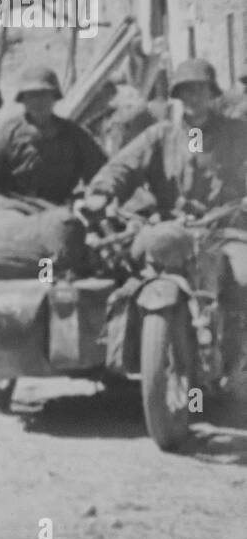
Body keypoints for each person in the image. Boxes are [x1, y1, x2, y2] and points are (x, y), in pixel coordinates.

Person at [84, 59, 247, 384]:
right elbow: (123, 166)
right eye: (186, 90)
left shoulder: (236, 133)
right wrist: (102, 191)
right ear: (176, 95)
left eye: (200, 89)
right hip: (171, 228)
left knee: (242, 281)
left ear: (212, 93)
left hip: (224, 228)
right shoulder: (161, 135)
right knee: (127, 271)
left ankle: (236, 357)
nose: (193, 97)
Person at [0, 65, 107, 238]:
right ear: (23, 99)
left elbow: (104, 174)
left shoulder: (75, 136)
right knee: (11, 241)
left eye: (44, 95)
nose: (38, 102)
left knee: (70, 251)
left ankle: (48, 265)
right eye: (32, 95)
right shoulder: (1, 135)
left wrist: (94, 199)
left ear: (55, 97)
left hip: (58, 213)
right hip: (14, 210)